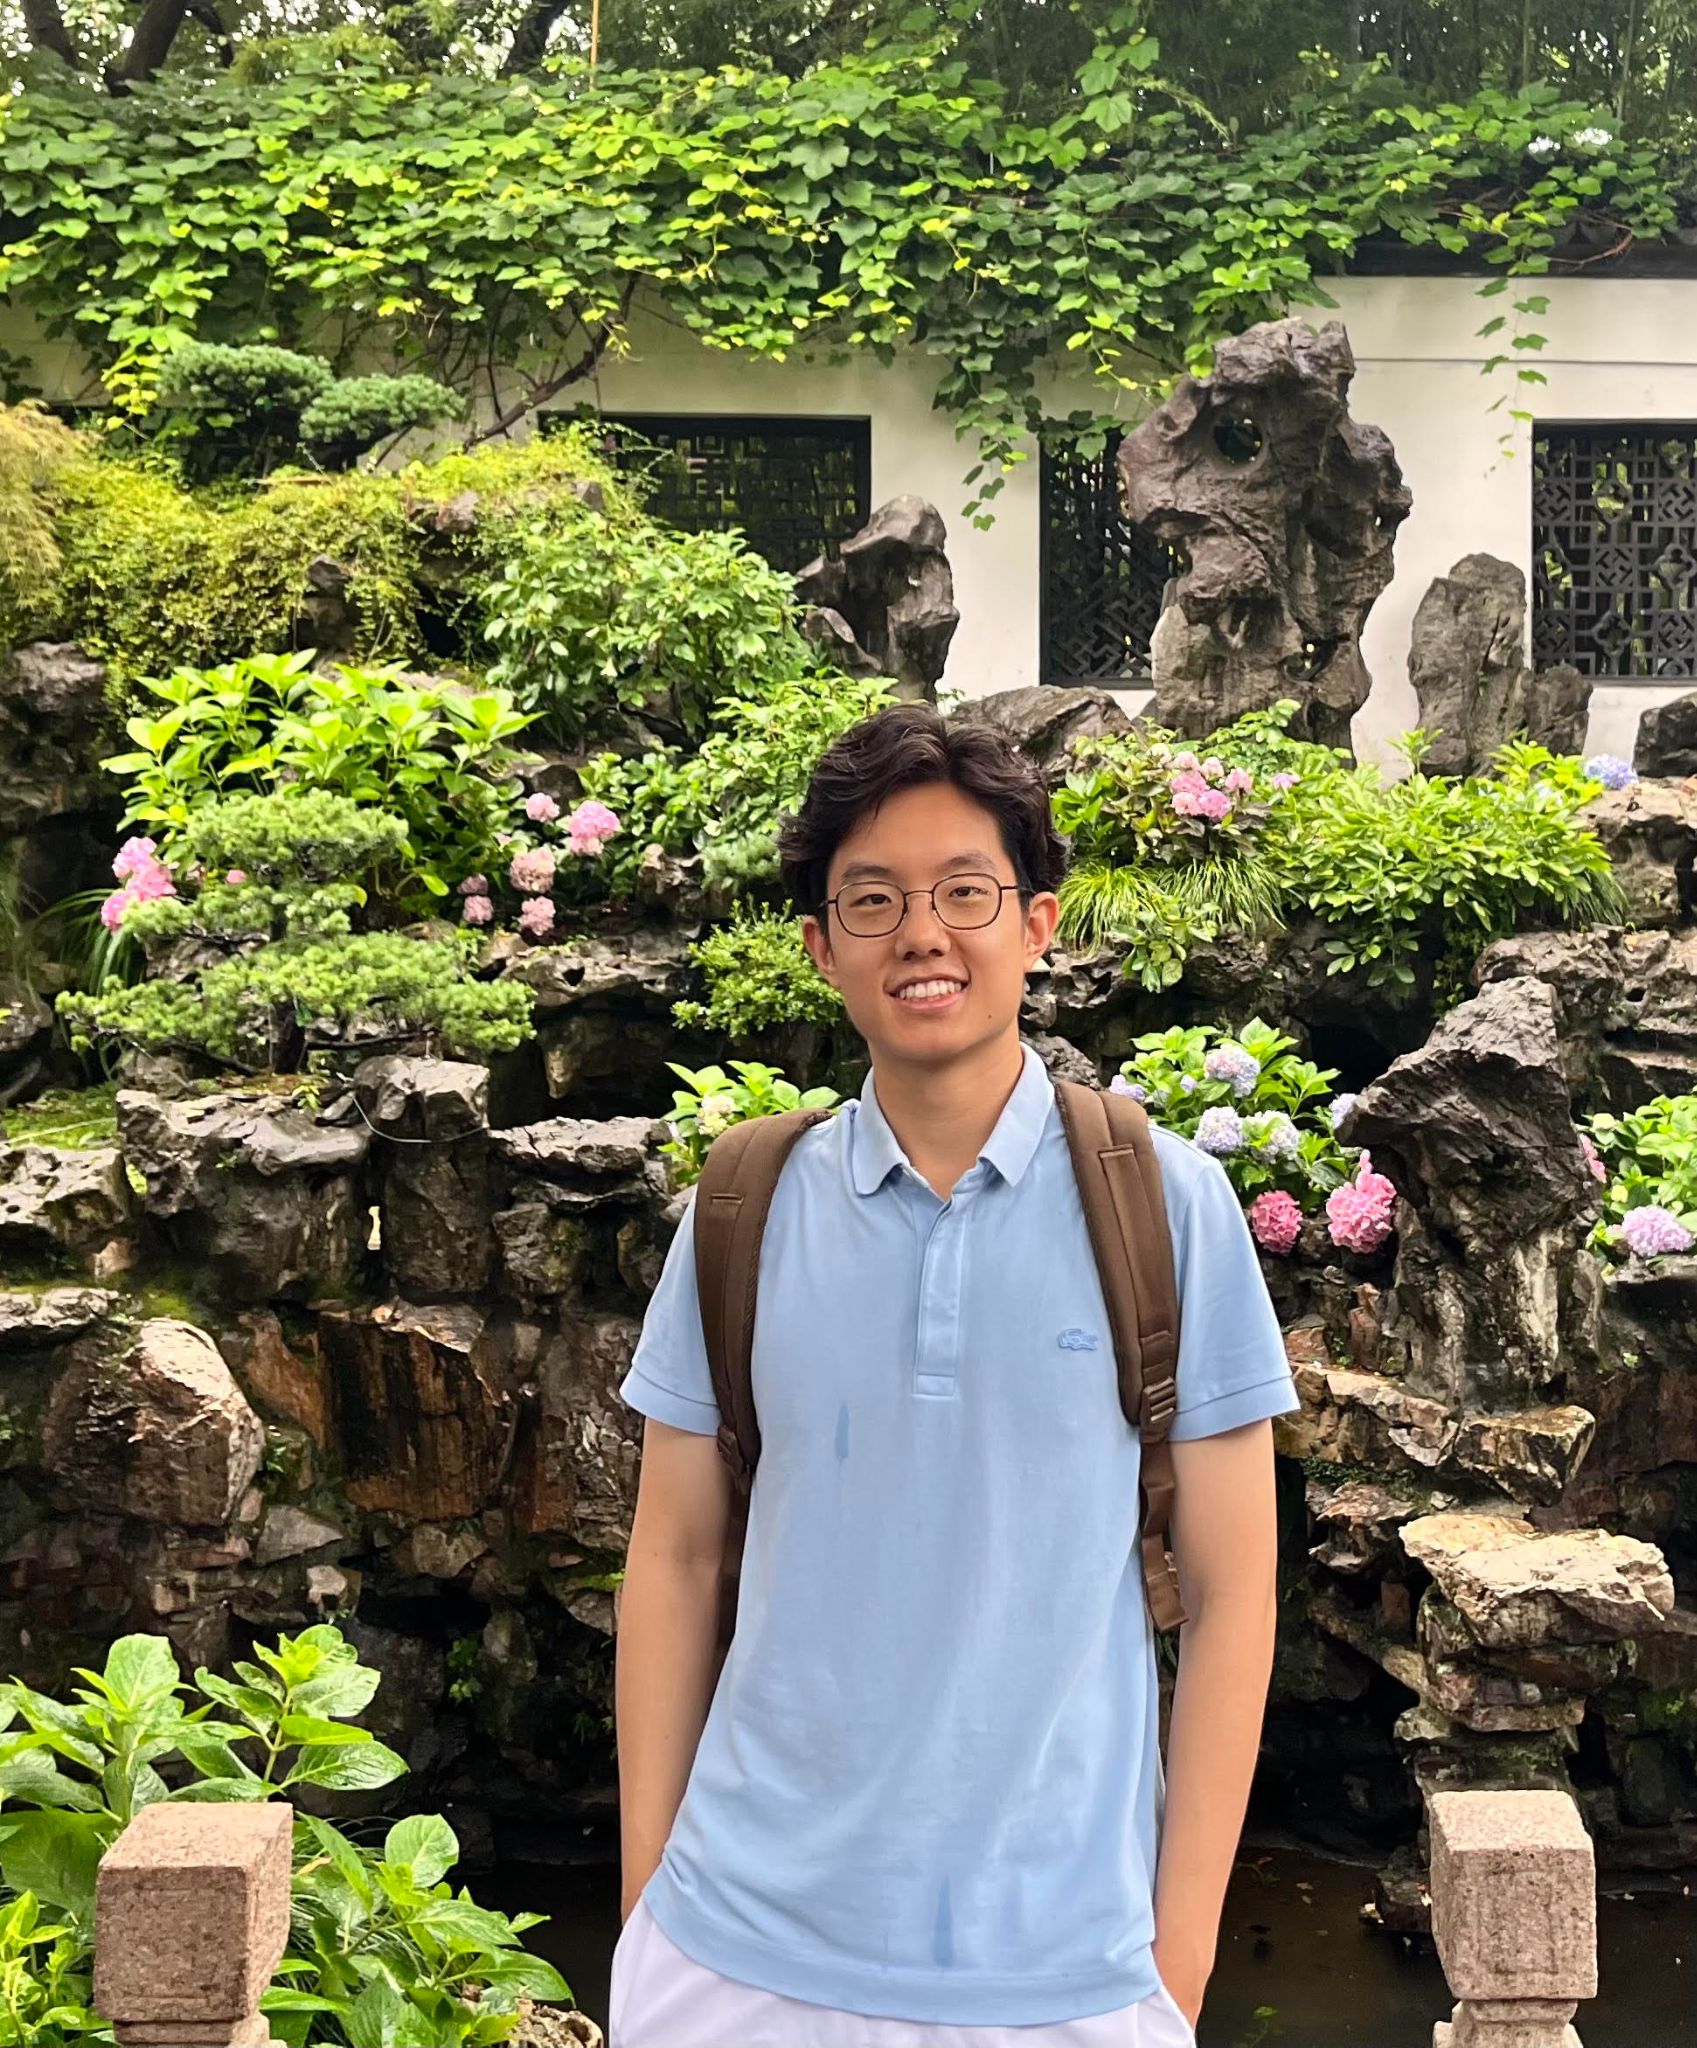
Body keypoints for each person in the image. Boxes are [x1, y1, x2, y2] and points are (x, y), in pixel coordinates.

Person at [611, 702, 1301, 2047]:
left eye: (964, 892)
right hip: (734, 1959)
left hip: (1066, 1978)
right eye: (872, 900)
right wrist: (648, 1907)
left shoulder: (1168, 1207)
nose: (921, 935)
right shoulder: (745, 1208)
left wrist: (1177, 1957)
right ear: (821, 947)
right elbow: (675, 1560)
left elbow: (1233, 1593)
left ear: (1037, 924)